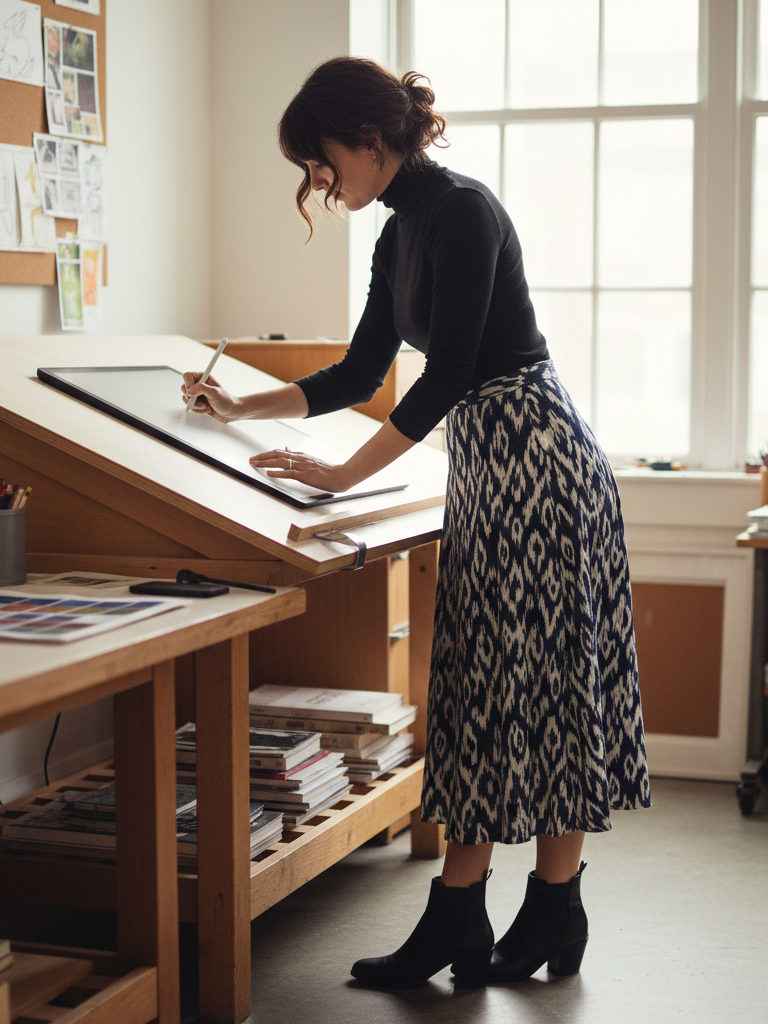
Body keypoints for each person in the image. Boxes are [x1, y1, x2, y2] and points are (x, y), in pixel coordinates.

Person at [182, 55, 651, 990]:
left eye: (319, 162)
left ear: (369, 138)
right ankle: (485, 917)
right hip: (490, 469)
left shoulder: (465, 210)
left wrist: (340, 472)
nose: (317, 183)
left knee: (540, 691)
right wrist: (239, 406)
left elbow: (449, 374)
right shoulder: (395, 237)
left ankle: (536, 909)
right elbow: (360, 373)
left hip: (543, 465)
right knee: (485, 690)